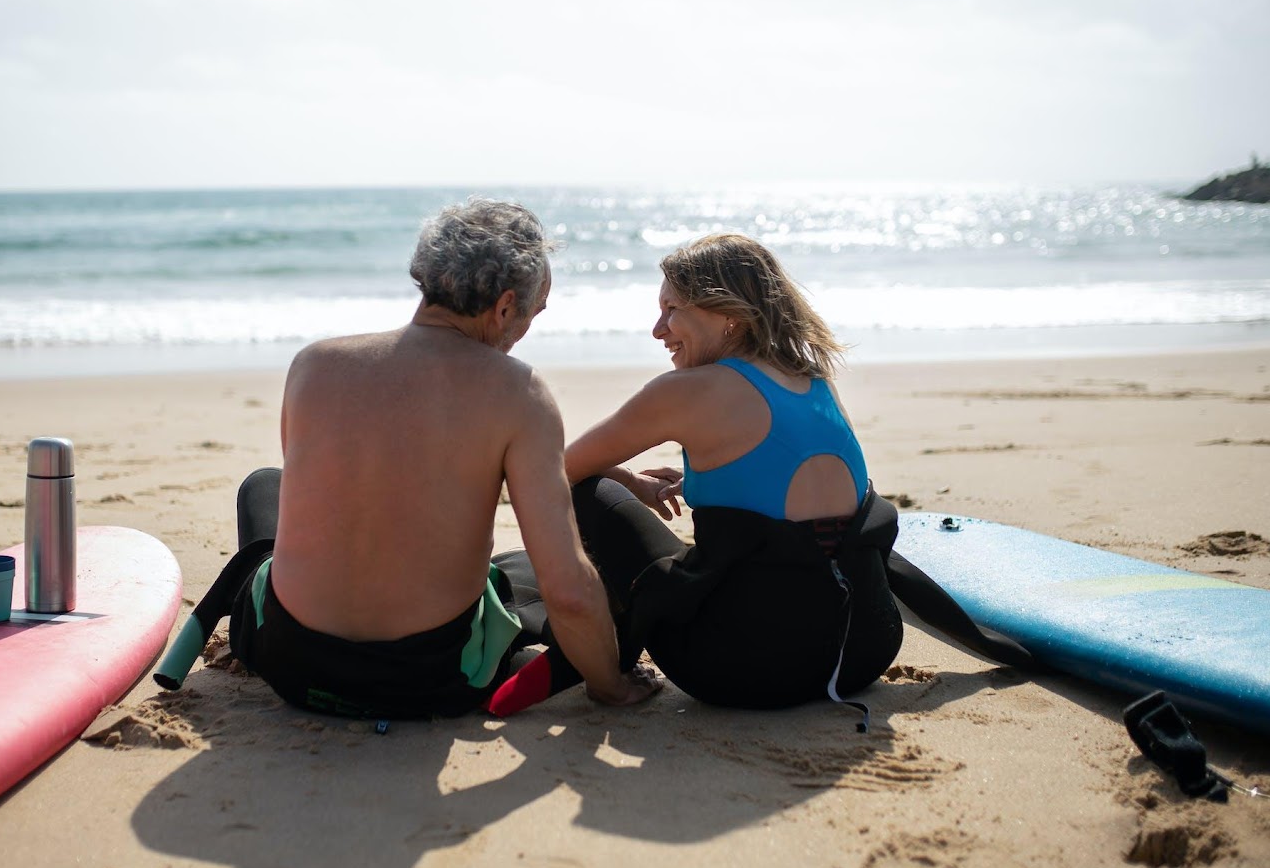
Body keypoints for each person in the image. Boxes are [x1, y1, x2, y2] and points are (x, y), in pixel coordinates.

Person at [225, 199, 661, 719]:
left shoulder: (314, 364)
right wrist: (609, 685)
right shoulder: (519, 393)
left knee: (265, 488)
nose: (526, 328)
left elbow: (339, 498)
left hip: (290, 664)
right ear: (504, 307)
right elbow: (567, 592)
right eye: (533, 311)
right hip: (426, 679)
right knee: (541, 576)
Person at [491, 233, 902, 721]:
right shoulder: (813, 378)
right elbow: (808, 499)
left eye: (671, 310)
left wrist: (627, 481)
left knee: (590, 492)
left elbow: (555, 471)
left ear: (729, 315)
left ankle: (601, 656)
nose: (657, 330)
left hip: (743, 669)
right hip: (865, 647)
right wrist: (705, 483)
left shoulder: (685, 392)